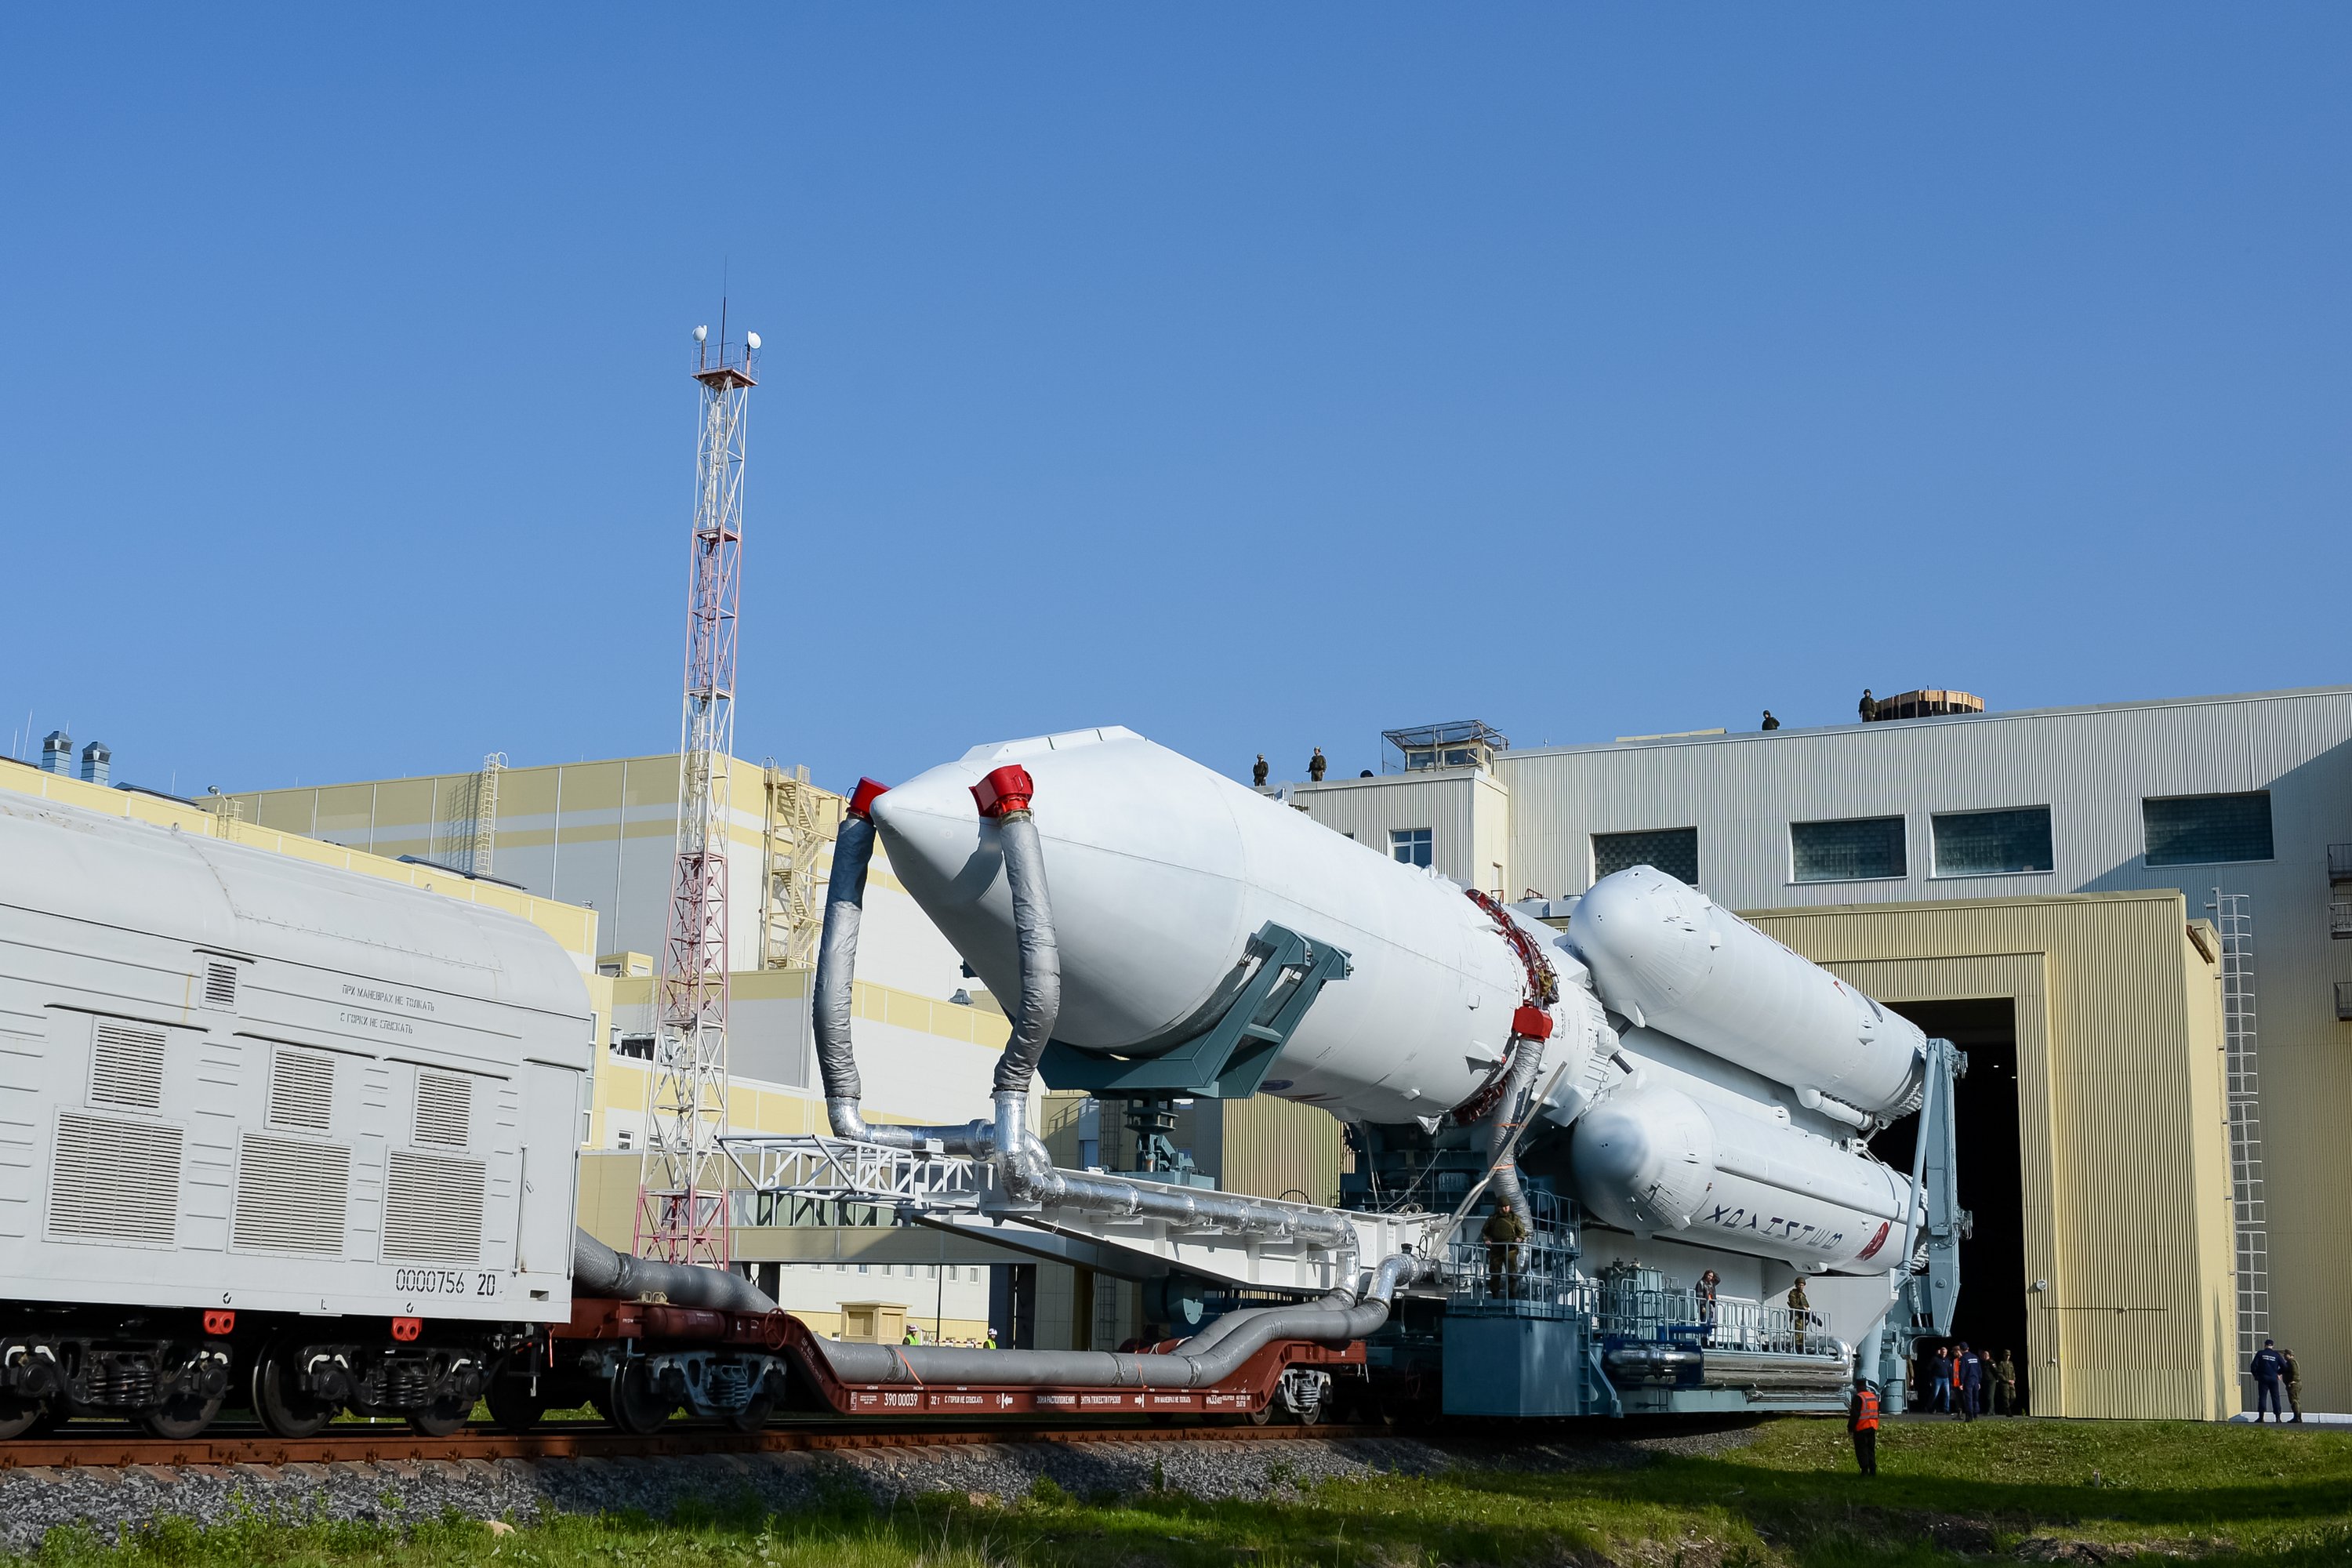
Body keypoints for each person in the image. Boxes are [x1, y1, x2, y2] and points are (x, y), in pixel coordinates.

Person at [1482, 1201, 1526, 1298]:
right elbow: (1485, 1232)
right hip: (1496, 1250)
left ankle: (1512, 1295)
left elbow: (1522, 1232)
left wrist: (1520, 1238)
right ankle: (1495, 1295)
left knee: (1512, 1274)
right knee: (1495, 1274)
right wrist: (1487, 1240)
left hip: (1511, 1250)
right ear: (1499, 1208)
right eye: (1503, 1207)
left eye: (1507, 1206)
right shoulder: (1493, 1219)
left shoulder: (1515, 1219)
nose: (1505, 1209)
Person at [1848, 1378, 1881, 1476]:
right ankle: (1873, 1470)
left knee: (1861, 1450)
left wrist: (1850, 1428)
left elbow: (1855, 1415)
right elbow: (1877, 1412)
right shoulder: (1873, 1397)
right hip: (1872, 1426)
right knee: (1871, 1449)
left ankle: (1864, 1470)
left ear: (1858, 1387)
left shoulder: (1859, 1398)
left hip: (1861, 1428)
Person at [2251, 1339, 2289, 1422]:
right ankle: (2278, 1418)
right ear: (2272, 1346)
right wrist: (2278, 1373)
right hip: (2273, 1378)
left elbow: (2253, 1366)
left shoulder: (2260, 1353)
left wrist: (2256, 1375)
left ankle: (2261, 1417)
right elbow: (2285, 1367)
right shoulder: (2276, 1355)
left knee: (2262, 1397)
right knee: (2275, 1397)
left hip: (2263, 1378)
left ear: (2265, 1345)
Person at [1958, 1343, 1984, 1421]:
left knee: (1968, 1399)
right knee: (1975, 1399)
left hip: (1968, 1381)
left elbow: (1962, 1371)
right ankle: (1976, 1415)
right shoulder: (1975, 1357)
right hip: (1976, 1380)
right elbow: (1979, 1371)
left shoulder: (1963, 1358)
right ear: (1968, 1348)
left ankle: (1969, 1417)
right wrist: (1979, 1381)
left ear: (1961, 1350)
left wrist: (1961, 1383)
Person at [1787, 1277, 1812, 1354]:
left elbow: (1806, 1306)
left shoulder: (1802, 1295)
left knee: (1803, 1333)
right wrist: (1803, 1308)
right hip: (1797, 1315)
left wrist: (1808, 1312)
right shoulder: (1793, 1294)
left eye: (1802, 1285)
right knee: (1798, 1332)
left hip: (1803, 1316)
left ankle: (1802, 1348)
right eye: (1800, 1285)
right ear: (1796, 1285)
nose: (1801, 1287)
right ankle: (1797, 1349)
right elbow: (1793, 1305)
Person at [1927, 1345, 1953, 1415]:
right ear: (1940, 1352)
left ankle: (1946, 1409)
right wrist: (1931, 1379)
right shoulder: (1935, 1359)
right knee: (1935, 1394)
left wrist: (1950, 1380)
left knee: (1947, 1394)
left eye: (1945, 1352)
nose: (1943, 1353)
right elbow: (1929, 1369)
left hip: (1946, 1379)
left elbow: (1950, 1371)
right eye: (1942, 1352)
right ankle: (1930, 1408)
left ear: (1946, 1352)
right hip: (1937, 1379)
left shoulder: (1948, 1360)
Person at [1696, 1269, 1720, 1343]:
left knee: (1709, 1322)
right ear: (1706, 1275)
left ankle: (1707, 1340)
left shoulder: (1711, 1283)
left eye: (1711, 1276)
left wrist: (1714, 1274)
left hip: (1711, 1305)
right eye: (1709, 1275)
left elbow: (1718, 1280)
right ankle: (1703, 1341)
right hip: (1704, 1305)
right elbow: (1699, 1296)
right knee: (1704, 1322)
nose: (1710, 1277)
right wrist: (1702, 1306)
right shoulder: (1701, 1283)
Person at [1994, 1350, 2018, 1416]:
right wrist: (2008, 1381)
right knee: (2006, 1397)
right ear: (2004, 1355)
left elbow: (2013, 1372)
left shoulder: (2011, 1363)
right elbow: (2000, 1374)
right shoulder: (2001, 1363)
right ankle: (2008, 1412)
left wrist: (2013, 1380)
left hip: (2011, 1382)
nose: (2008, 1357)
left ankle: (2006, 1408)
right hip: (2005, 1383)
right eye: (2006, 1355)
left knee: (2013, 1397)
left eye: (2009, 1355)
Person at [2284, 1348, 2303, 1423]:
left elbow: (2295, 1372)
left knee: (2294, 1400)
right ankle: (2298, 1417)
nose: (2284, 1356)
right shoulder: (2291, 1362)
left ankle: (2297, 1417)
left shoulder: (2291, 1362)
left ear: (2290, 1355)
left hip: (2294, 1384)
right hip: (2295, 1383)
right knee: (2296, 1400)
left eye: (2286, 1354)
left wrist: (2292, 1381)